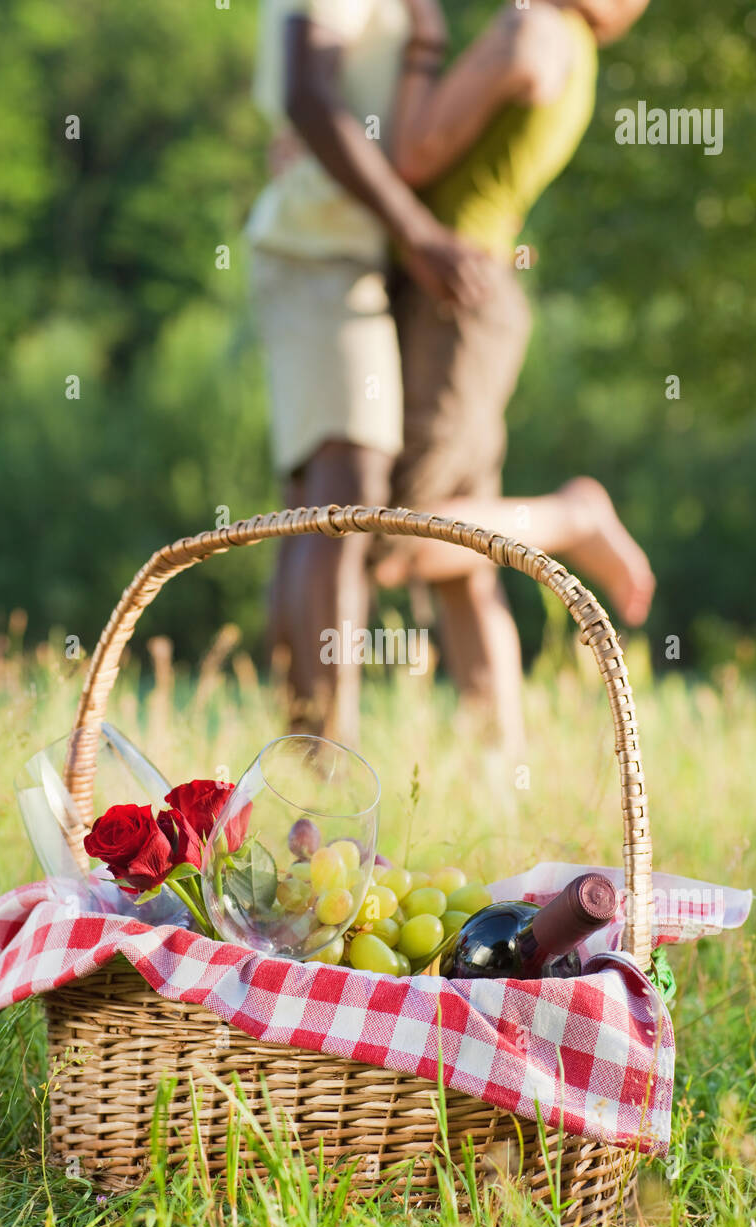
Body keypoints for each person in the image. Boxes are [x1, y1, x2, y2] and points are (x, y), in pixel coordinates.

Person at [373, 0, 656, 754]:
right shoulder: (571, 45)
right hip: (471, 301)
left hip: (455, 303)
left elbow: (414, 153)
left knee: (400, 542)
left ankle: (573, 517)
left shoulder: (527, 32)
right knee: (468, 562)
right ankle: (502, 773)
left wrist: (424, 49)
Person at [247, 0, 492, 746]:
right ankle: (326, 768)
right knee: (341, 494)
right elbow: (307, 94)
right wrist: (420, 235)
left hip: (340, 252)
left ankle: (306, 771)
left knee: (318, 508)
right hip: (316, 253)